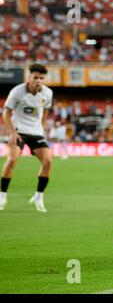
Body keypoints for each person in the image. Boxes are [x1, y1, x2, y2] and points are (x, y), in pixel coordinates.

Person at [0, 64, 53, 213]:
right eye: (35, 77)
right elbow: (6, 112)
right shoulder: (17, 92)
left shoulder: (48, 93)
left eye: (41, 78)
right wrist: (12, 132)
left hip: (36, 132)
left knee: (48, 161)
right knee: (12, 160)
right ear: (29, 77)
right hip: (19, 131)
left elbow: (46, 109)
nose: (38, 80)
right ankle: (2, 196)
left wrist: (42, 127)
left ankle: (38, 197)